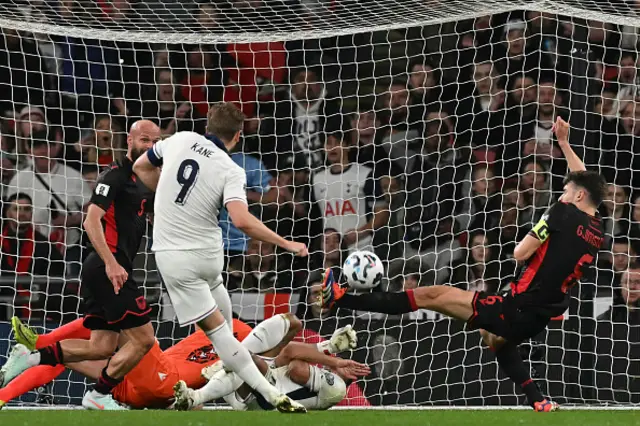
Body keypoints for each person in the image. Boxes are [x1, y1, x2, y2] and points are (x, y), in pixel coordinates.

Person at [321, 116, 607, 412]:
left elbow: (521, 253)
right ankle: (538, 399)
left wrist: (541, 227)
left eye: (565, 191)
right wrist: (563, 143)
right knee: (496, 339)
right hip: (538, 315)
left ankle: (340, 299)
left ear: (577, 196)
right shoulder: (597, 227)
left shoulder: (561, 212)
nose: (561, 194)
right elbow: (583, 181)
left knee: (429, 295)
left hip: (518, 305)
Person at [132, 102, 309, 413]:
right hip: (210, 255)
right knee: (225, 334)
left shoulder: (181, 138)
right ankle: (247, 390)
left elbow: (139, 166)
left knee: (219, 339)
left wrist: (166, 199)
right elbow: (241, 220)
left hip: (176, 257)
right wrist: (286, 242)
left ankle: (268, 392)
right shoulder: (231, 169)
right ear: (238, 136)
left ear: (206, 127)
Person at [0, 120, 162, 411]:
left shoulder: (143, 180)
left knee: (101, 346)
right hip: (107, 267)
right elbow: (90, 220)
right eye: (144, 139)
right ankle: (98, 395)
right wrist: (111, 263)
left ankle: (31, 357)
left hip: (106, 266)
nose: (149, 146)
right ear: (129, 140)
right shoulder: (114, 176)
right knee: (144, 339)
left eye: (154, 141)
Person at [0, 314, 363, 410]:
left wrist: (329, 354)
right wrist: (328, 354)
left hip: (159, 382)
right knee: (100, 340)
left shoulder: (250, 357)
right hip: (141, 382)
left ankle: (36, 347)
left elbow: (290, 349)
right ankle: (24, 363)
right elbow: (290, 346)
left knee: (116, 323)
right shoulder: (230, 333)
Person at [173, 314, 368, 411]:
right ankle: (222, 368)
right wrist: (327, 347)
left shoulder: (338, 388)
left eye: (348, 365)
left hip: (262, 400)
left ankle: (197, 396)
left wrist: (330, 355)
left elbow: (295, 367)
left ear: (350, 375)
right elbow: (284, 356)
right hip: (262, 380)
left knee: (248, 358)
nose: (342, 362)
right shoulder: (319, 379)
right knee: (293, 323)